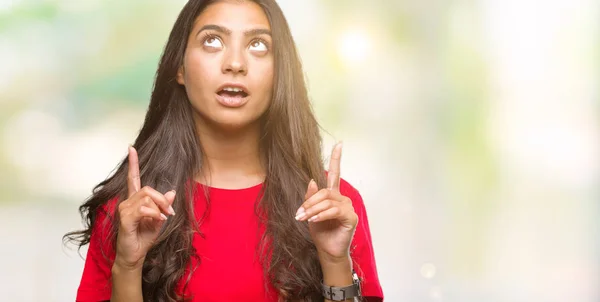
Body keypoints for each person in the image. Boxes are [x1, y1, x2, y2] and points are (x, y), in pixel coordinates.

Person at [64, 0, 383, 301]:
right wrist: (128, 267)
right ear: (180, 68)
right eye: (212, 41)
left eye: (258, 45)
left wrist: (335, 260)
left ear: (279, 74)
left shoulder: (334, 208)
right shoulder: (129, 211)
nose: (235, 64)